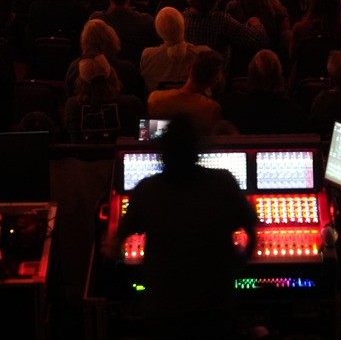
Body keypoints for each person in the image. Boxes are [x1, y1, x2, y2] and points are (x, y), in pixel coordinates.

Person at [109, 117, 258, 339]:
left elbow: (114, 245)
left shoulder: (147, 189)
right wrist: (233, 266)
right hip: (215, 307)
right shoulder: (223, 182)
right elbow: (251, 234)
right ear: (196, 150)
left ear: (163, 154)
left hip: (164, 309)